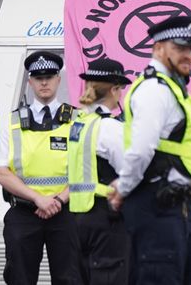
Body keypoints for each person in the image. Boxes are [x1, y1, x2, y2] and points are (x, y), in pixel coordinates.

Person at [107, 16, 191, 285]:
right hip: (156, 205)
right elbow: (141, 150)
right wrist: (123, 188)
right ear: (158, 48)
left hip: (177, 208)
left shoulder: (174, 90)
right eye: (180, 48)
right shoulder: (153, 90)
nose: (188, 55)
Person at [0, 51, 81, 285]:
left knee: (70, 278)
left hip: (65, 213)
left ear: (58, 80)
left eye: (50, 76)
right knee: (19, 278)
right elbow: (2, 173)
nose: (44, 82)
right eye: (38, 77)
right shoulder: (11, 123)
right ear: (30, 81)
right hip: (24, 213)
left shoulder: (76, 121)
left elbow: (84, 171)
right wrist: (39, 199)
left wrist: (58, 201)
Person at [67, 58, 131, 285]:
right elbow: (130, 172)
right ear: (114, 89)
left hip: (78, 215)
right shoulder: (109, 127)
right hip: (108, 216)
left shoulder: (80, 123)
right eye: (120, 89)